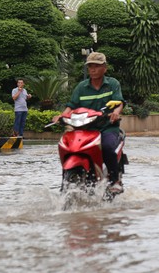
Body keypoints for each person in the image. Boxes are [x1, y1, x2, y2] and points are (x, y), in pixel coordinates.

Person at [53, 52, 125, 193]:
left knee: (108, 147)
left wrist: (116, 112)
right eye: (90, 66)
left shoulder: (112, 84)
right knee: (68, 146)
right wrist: (61, 116)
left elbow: (119, 102)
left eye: (96, 66)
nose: (92, 69)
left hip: (106, 127)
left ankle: (114, 180)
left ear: (104, 67)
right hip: (85, 128)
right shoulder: (81, 87)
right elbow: (71, 105)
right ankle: (66, 180)